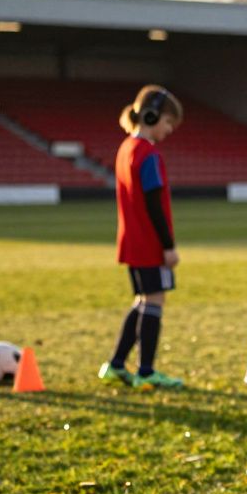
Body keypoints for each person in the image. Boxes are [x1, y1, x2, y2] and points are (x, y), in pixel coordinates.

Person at [97, 85, 185, 390]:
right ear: (151, 116)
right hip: (149, 244)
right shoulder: (148, 154)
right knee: (154, 301)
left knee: (142, 300)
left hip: (131, 242)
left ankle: (117, 364)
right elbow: (153, 202)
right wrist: (168, 246)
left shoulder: (125, 148)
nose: (169, 130)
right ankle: (146, 371)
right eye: (168, 123)